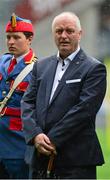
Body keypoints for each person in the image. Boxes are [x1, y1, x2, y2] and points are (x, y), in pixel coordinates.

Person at [21, 12, 106, 179]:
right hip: (38, 160)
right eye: (59, 31)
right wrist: (35, 135)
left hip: (75, 162)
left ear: (80, 34)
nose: (64, 36)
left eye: (69, 31)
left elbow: (84, 111)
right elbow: (27, 102)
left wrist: (50, 139)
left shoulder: (94, 69)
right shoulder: (40, 66)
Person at [0, 13, 37, 179]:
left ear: (29, 39)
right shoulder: (3, 62)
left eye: (16, 37)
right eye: (8, 37)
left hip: (18, 145)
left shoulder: (38, 69)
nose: (10, 42)